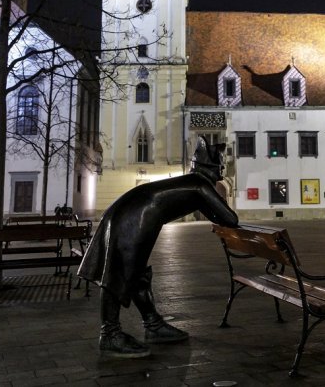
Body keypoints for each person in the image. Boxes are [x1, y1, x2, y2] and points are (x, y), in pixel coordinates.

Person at [78, 137, 239, 359]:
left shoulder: (194, 182)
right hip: (137, 216)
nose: (222, 167)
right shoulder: (200, 184)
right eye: (220, 163)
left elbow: (215, 215)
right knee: (121, 273)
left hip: (132, 210)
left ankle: (153, 324)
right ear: (215, 168)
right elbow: (230, 219)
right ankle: (110, 333)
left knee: (136, 274)